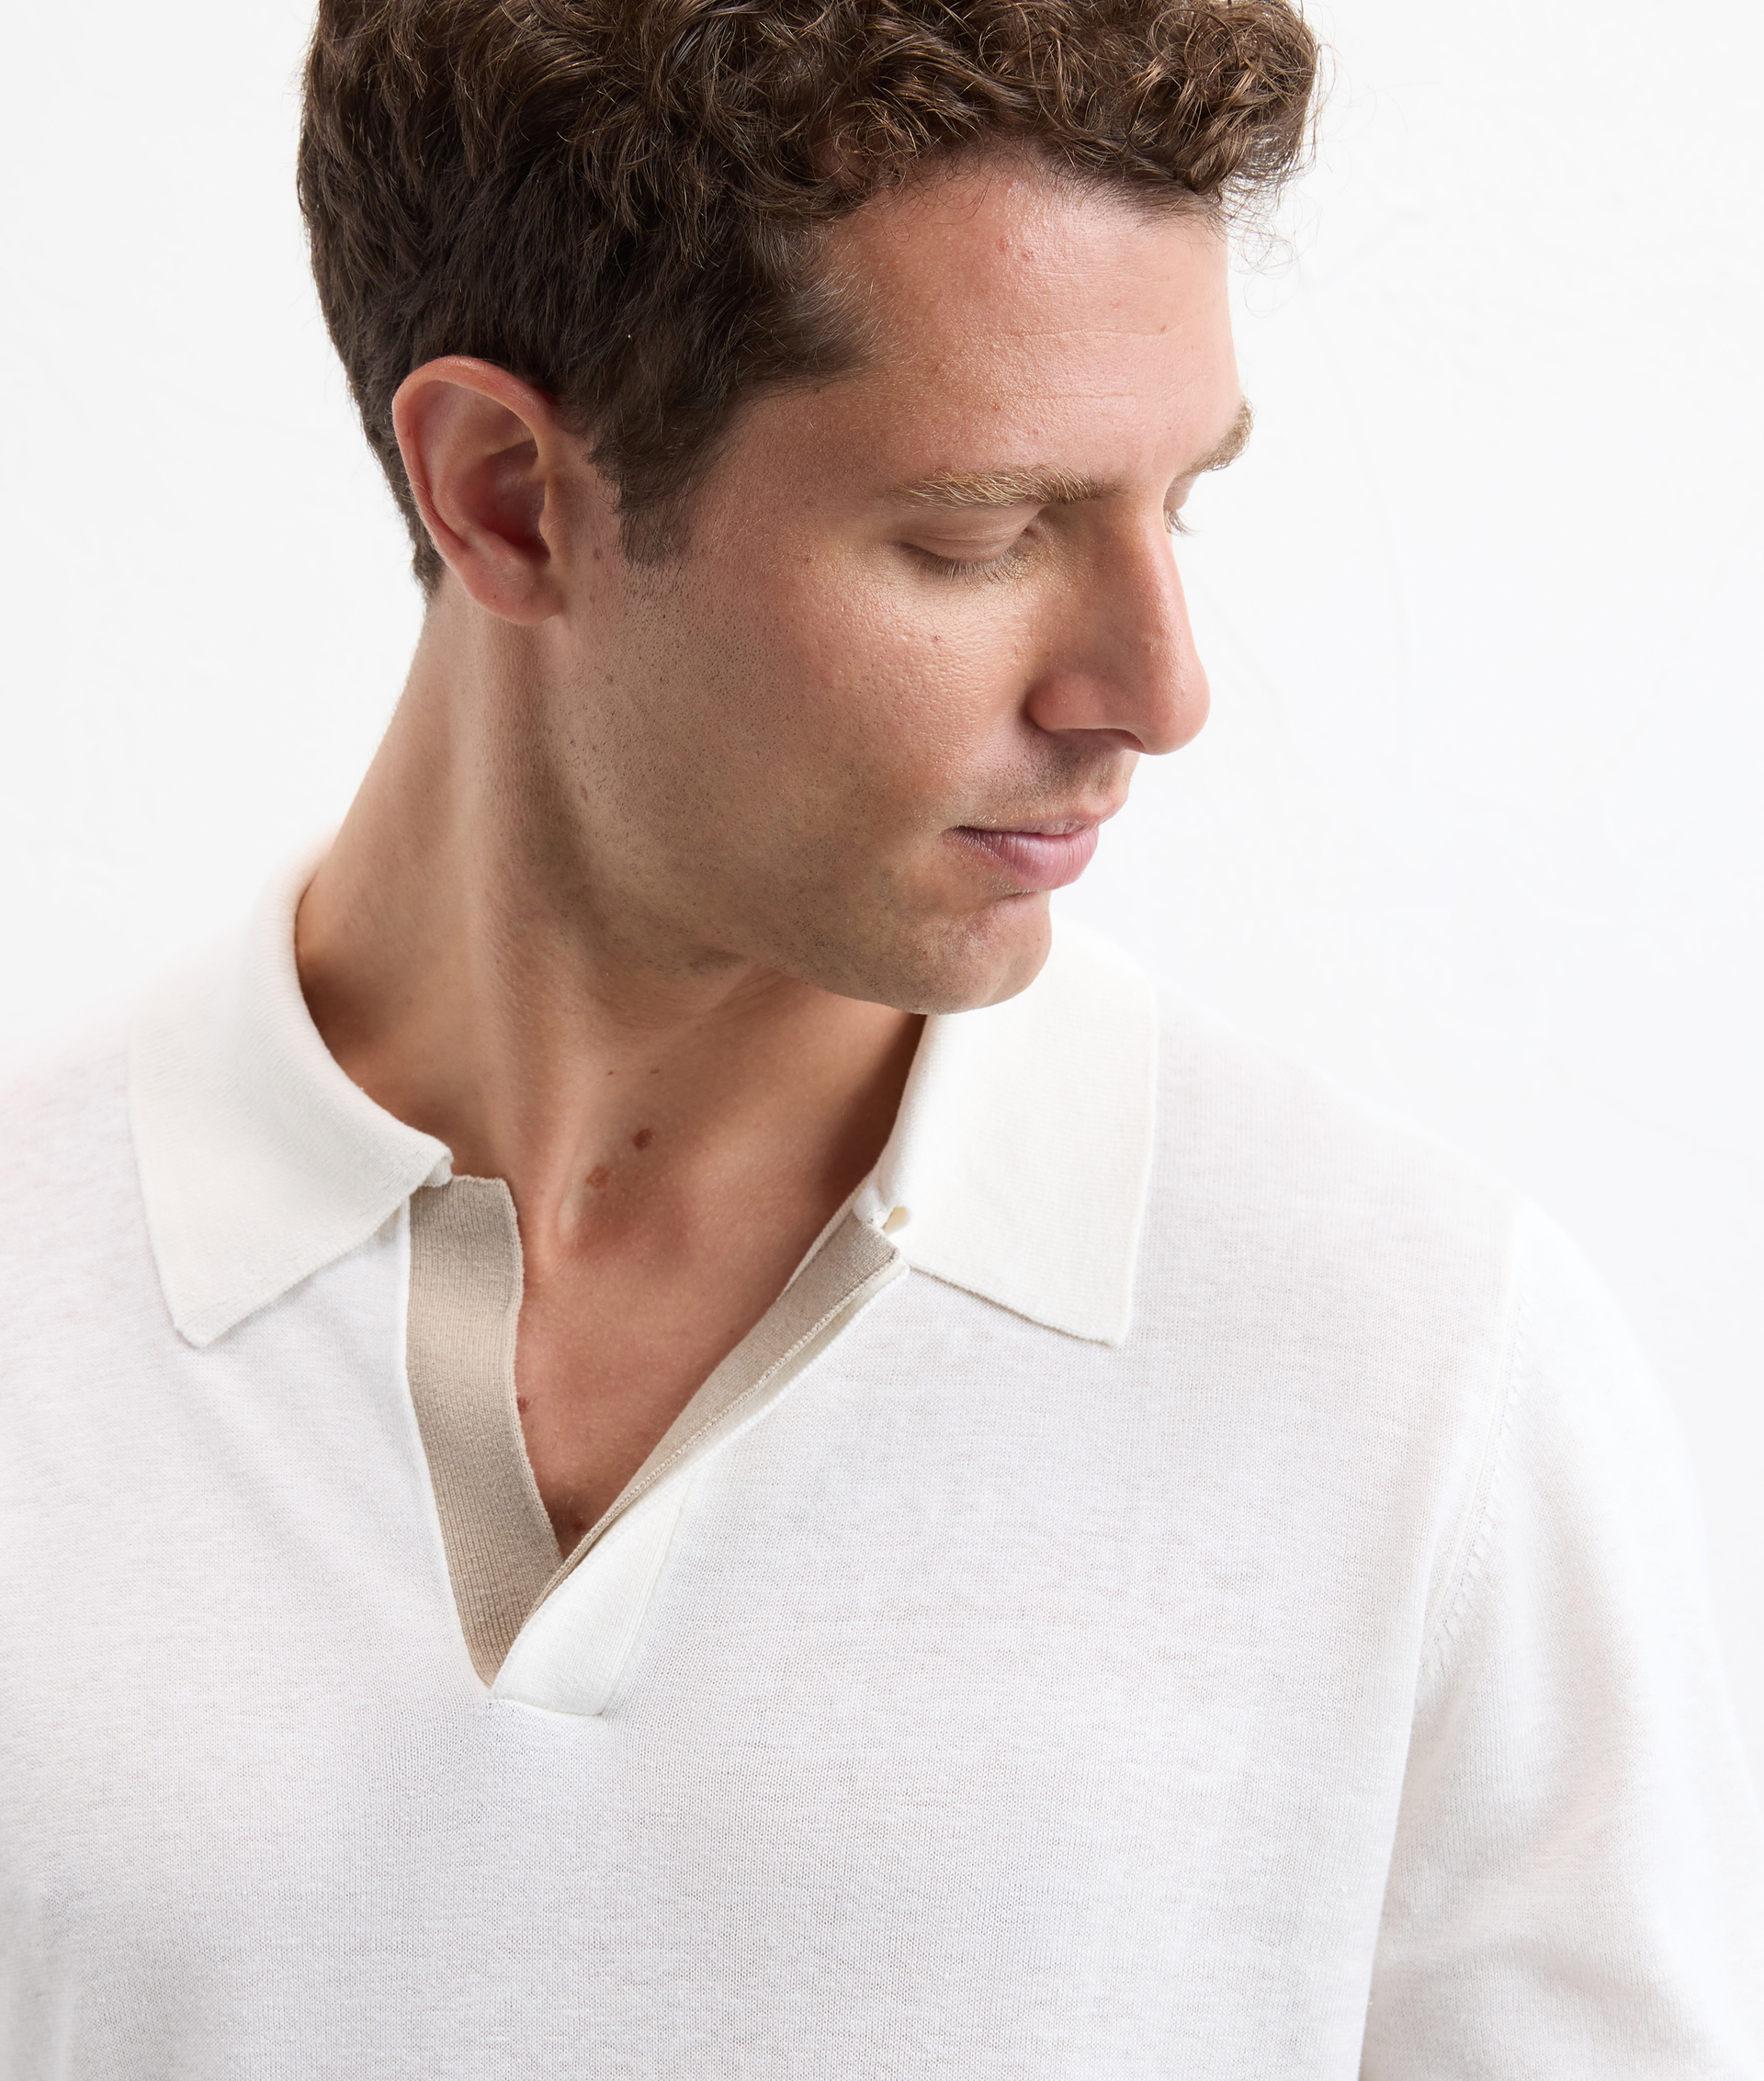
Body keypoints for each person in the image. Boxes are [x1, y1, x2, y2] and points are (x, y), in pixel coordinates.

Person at [1, 0, 1758, 2070]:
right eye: (980, 531)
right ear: (506, 497)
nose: (1159, 689)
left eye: (1178, 503)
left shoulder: (1422, 1367)